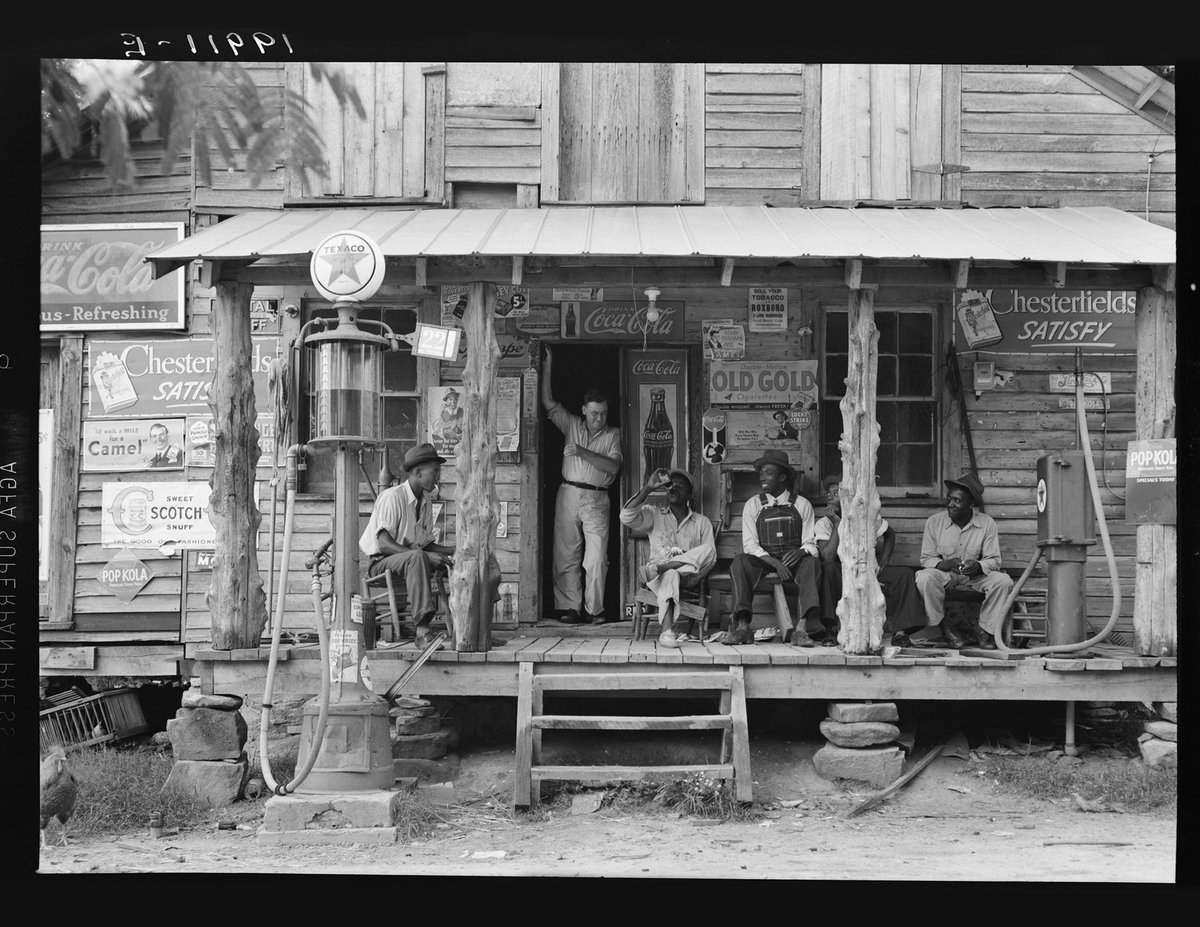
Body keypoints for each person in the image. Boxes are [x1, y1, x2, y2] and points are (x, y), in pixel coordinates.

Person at [541, 346, 624, 624]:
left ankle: (595, 610)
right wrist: (549, 362)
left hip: (597, 497)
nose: (599, 419)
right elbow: (547, 402)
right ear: (584, 410)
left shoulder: (613, 434)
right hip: (568, 493)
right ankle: (571, 608)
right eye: (594, 413)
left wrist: (581, 452)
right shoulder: (572, 424)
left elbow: (613, 466)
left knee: (597, 557)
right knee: (565, 554)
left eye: (603, 413)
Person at [717, 449, 821, 647]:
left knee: (812, 563)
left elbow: (810, 543)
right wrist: (775, 563)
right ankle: (742, 627)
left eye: (768, 473)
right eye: (761, 473)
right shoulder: (753, 505)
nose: (762, 477)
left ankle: (800, 629)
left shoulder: (802, 504)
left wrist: (800, 552)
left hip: (793, 561)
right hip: (764, 561)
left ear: (782, 477)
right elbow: (750, 545)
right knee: (740, 562)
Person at [359, 442, 457, 649]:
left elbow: (425, 544)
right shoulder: (392, 497)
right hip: (380, 563)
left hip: (410, 560)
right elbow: (384, 544)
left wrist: (455, 551)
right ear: (418, 472)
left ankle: (474, 627)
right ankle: (422, 632)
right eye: (435, 472)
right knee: (418, 557)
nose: (438, 477)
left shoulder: (426, 501)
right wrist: (424, 555)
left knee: (464, 557)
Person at [815, 474, 925, 647]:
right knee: (828, 568)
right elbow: (828, 556)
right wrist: (838, 523)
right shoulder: (824, 523)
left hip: (868, 569)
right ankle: (831, 629)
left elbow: (890, 534)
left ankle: (901, 632)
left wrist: (884, 561)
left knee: (904, 574)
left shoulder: (865, 517)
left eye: (838, 493)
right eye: (832, 494)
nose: (833, 497)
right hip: (842, 572)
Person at [911, 472, 1013, 650]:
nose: (950, 504)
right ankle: (946, 629)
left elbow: (994, 559)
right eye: (949, 499)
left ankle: (984, 632)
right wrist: (945, 564)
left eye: (957, 501)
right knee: (924, 578)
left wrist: (978, 565)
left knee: (1003, 581)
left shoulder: (987, 523)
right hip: (946, 575)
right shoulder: (934, 522)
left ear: (971, 504)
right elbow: (926, 558)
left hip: (975, 577)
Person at [619, 467, 716, 648]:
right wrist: (648, 488)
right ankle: (667, 632)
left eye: (680, 486)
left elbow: (710, 558)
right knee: (671, 574)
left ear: (689, 495)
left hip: (689, 576)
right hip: (658, 578)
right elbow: (626, 517)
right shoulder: (654, 514)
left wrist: (694, 573)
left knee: (709, 550)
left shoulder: (702, 522)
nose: (673, 488)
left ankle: (664, 566)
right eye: (670, 485)